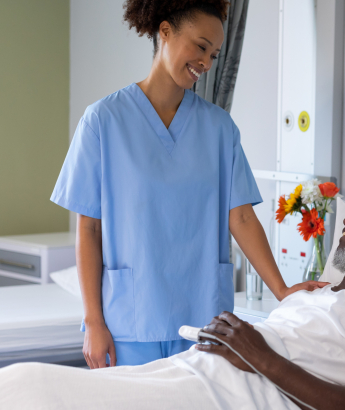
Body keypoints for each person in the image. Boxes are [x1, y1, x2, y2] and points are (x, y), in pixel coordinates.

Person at [0, 196, 345, 410]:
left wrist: (258, 354)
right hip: (191, 373)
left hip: (219, 399)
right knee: (32, 381)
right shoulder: (317, 297)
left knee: (37, 393)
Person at [51, 0, 325, 369]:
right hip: (131, 323)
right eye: (200, 46)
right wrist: (94, 322)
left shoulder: (219, 129)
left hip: (205, 321)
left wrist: (282, 290)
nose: (207, 63)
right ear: (164, 32)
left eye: (214, 54)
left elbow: (241, 218)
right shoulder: (103, 121)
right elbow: (89, 229)